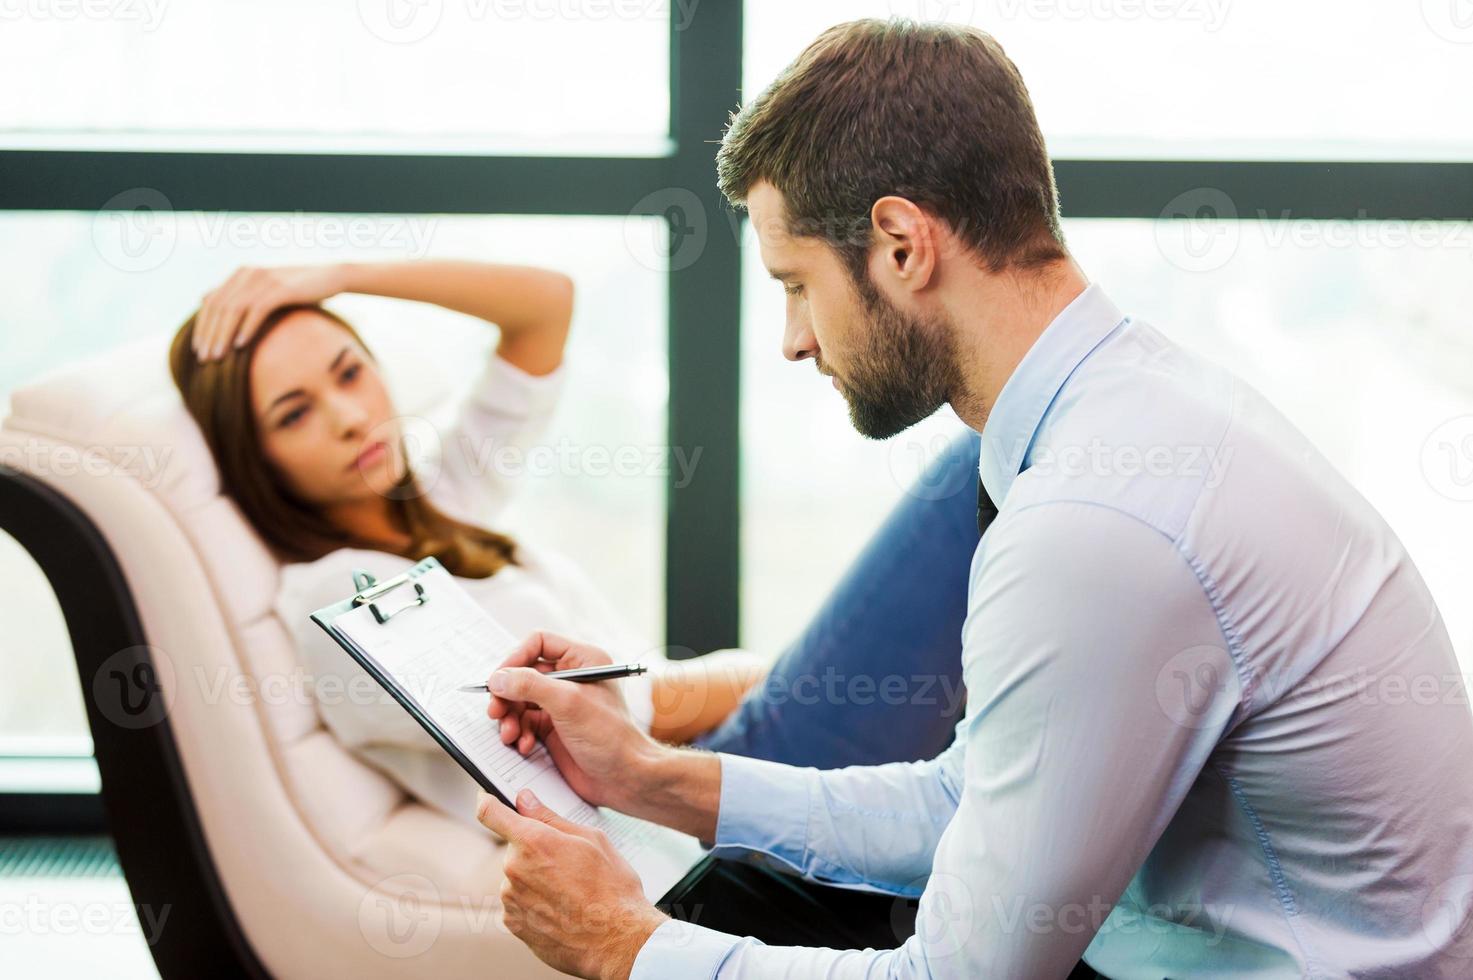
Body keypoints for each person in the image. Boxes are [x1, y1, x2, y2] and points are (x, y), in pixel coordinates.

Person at [474, 18, 1473, 979]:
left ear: (902, 245)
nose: (793, 339)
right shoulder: (1135, 407)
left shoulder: (1091, 525)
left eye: (795, 284)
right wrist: (650, 776)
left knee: (690, 930)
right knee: (737, 896)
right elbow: (968, 796)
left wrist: (622, 943)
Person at [169, 258, 981, 826]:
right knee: (976, 465)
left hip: (722, 757)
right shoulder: (335, 596)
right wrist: (773, 678)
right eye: (294, 413)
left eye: (349, 372)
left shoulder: (441, 499)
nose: (349, 416)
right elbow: (583, 728)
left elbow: (543, 304)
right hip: (703, 800)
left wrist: (335, 276)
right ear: (256, 458)